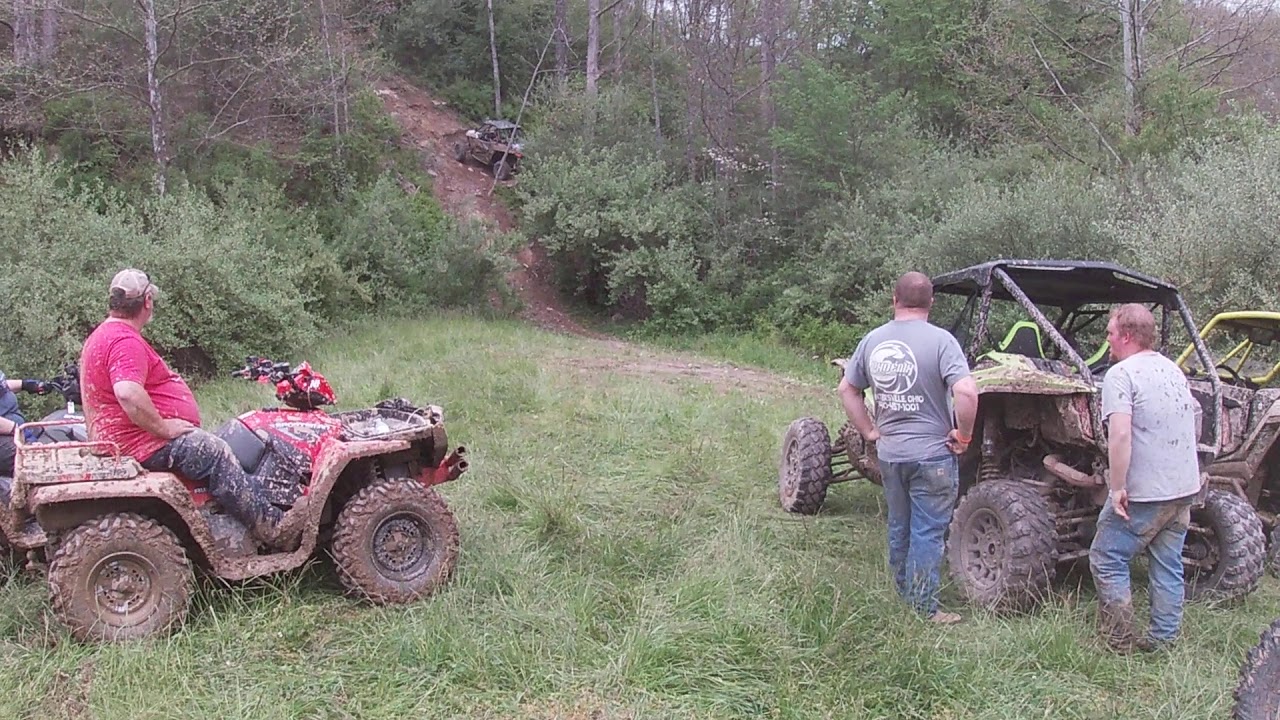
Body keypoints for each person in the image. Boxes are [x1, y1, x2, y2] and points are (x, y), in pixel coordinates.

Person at [79, 268, 310, 550]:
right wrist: (164, 428)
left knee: (214, 442)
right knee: (214, 451)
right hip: (137, 441)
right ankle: (275, 528)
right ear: (148, 301)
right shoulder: (124, 340)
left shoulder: (102, 335)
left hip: (119, 437)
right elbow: (127, 393)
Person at [838, 271, 979, 624]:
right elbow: (966, 392)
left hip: (890, 453)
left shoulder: (872, 340)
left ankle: (903, 595)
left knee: (899, 524)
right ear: (931, 302)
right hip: (933, 454)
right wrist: (963, 436)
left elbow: (847, 389)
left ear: (894, 300)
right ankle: (923, 608)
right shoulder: (943, 341)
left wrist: (870, 431)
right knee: (928, 530)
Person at [1089, 303, 1201, 653]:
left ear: (1125, 335)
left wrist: (1117, 488)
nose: (1106, 340)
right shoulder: (1172, 369)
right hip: (1183, 488)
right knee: (1167, 564)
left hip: (1147, 492)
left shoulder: (1121, 375)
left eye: (1109, 333)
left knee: (1106, 556)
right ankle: (1163, 642)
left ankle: (1118, 640)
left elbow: (1120, 435)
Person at [0, 373, 52, 476]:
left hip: (14, 429)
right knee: (35, 463)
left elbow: (3, 385)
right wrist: (18, 432)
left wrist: (27, 385)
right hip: (6, 434)